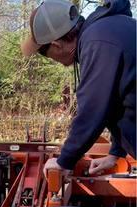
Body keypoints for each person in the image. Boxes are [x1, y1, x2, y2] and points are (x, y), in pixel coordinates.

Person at [21, 0, 136, 175]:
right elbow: (121, 103)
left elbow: (93, 109)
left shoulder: (98, 42)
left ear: (56, 44)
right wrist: (115, 153)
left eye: (47, 55)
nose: (54, 61)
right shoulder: (107, 31)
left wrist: (64, 161)